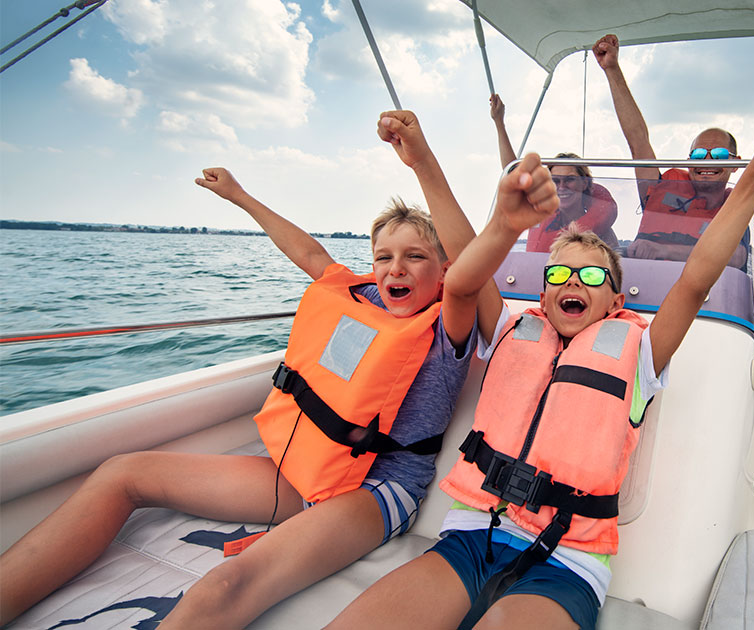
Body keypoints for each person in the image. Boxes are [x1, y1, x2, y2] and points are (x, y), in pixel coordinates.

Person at [327, 109, 754, 630]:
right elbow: (467, 256)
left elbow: (696, 279)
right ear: (541, 292)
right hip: (470, 537)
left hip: (568, 561)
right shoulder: (510, 330)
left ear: (614, 300)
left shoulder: (642, 352)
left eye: (591, 275)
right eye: (558, 272)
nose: (572, 283)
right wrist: (422, 161)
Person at [0, 170, 479, 628]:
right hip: (310, 470)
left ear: (444, 270)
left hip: (377, 490)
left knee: (223, 586)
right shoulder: (364, 299)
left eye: (415, 256)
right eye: (383, 257)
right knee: (121, 473)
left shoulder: (448, 328)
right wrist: (238, 196)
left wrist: (418, 161)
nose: (395, 268)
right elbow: (310, 255)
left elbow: (469, 271)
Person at [593, 33, 754, 268]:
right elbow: (638, 140)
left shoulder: (738, 208)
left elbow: (737, 258)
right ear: (689, 161)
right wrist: (612, 69)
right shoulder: (659, 189)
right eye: (699, 155)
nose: (707, 162)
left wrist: (663, 250)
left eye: (720, 155)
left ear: (735, 164)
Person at [490, 93, 620, 251]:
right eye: (555, 181)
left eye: (570, 179)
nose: (562, 186)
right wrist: (499, 123)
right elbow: (512, 173)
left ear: (584, 183)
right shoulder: (541, 214)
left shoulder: (602, 232)